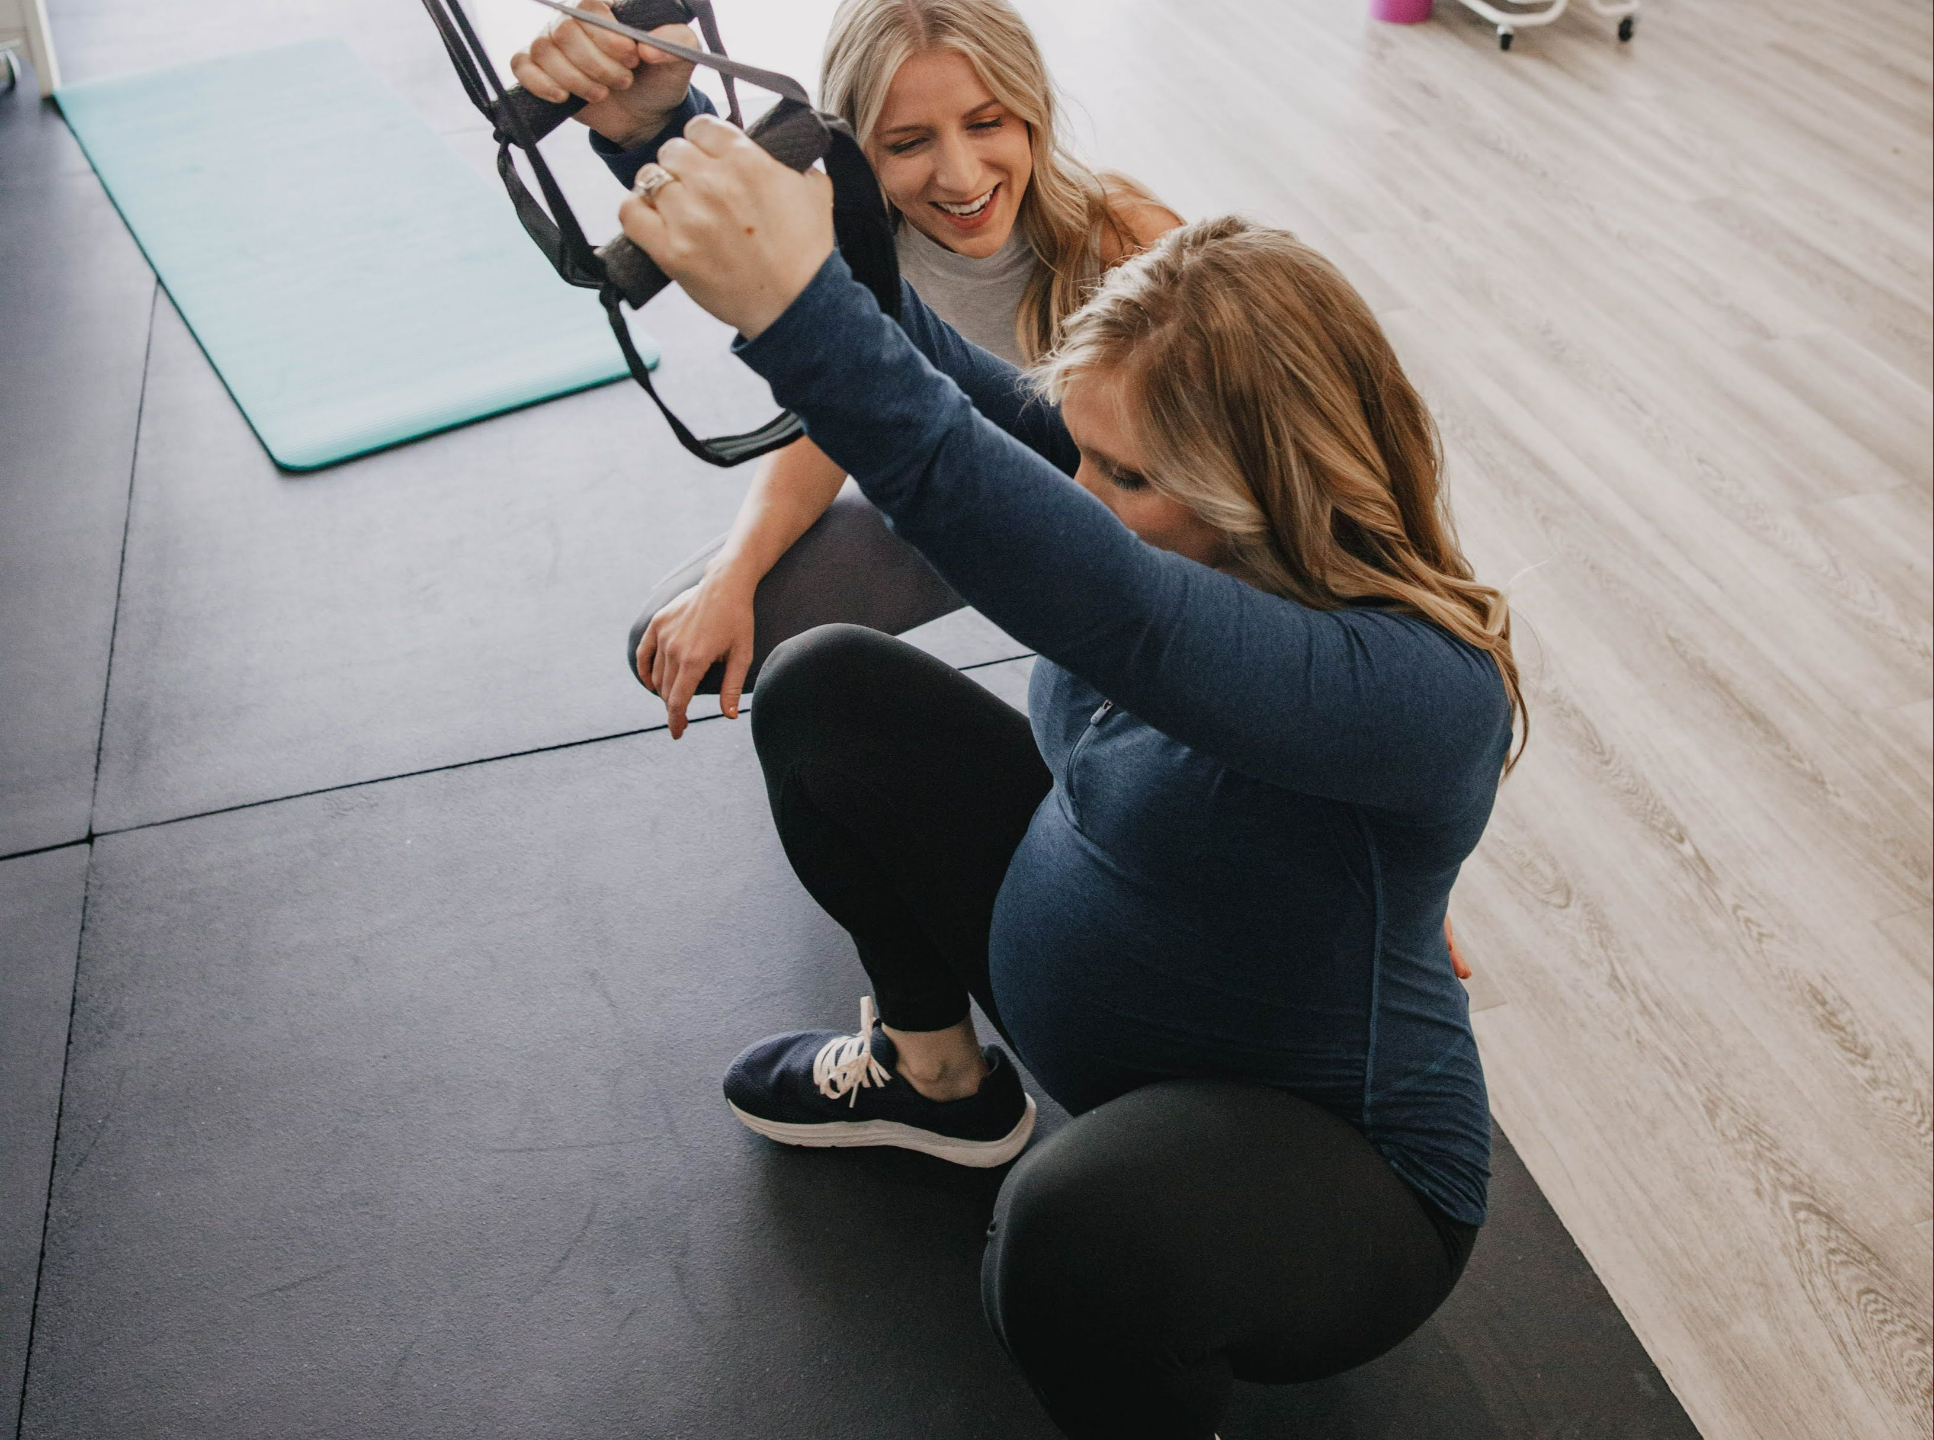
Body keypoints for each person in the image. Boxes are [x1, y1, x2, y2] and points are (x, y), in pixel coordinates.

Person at [611, 113, 1525, 1439]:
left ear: (1263, 489)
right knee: (827, 692)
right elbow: (951, 398)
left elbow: (1098, 595)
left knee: (1071, 1233)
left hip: (1344, 1181)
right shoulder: (1165, 513)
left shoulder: (1413, 687)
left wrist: (799, 322)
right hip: (1103, 987)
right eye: (1081, 452)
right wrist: (663, 144)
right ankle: (936, 1085)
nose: (1079, 489)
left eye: (1124, 476)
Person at [512, 0, 1180, 736]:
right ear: (853, 146)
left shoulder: (1128, 236)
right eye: (909, 142)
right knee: (670, 635)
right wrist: (735, 572)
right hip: (960, 497)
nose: (961, 177)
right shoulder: (856, 244)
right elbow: (833, 419)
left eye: (986, 123)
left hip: (1128, 519)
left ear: (1033, 116)